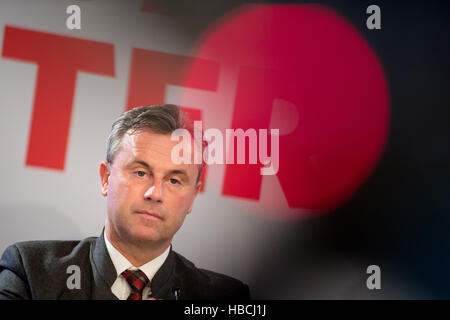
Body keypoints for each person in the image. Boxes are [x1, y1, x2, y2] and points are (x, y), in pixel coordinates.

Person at [0, 104, 250, 300]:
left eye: (174, 180)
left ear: (193, 196)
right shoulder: (31, 272)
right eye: (141, 173)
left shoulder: (225, 296)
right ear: (106, 178)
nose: (155, 193)